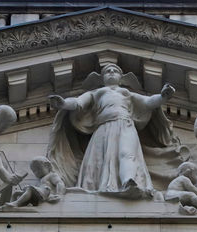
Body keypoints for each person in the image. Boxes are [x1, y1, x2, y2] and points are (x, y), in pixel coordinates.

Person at [47, 63, 179, 199]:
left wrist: (163, 97)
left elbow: (147, 102)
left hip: (125, 125)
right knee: (99, 160)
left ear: (121, 78)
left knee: (127, 153)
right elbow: (78, 102)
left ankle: (129, 181)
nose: (111, 72)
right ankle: (97, 187)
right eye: (107, 71)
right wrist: (63, 103)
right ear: (102, 78)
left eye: (115, 71)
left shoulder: (126, 93)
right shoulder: (97, 93)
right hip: (103, 128)